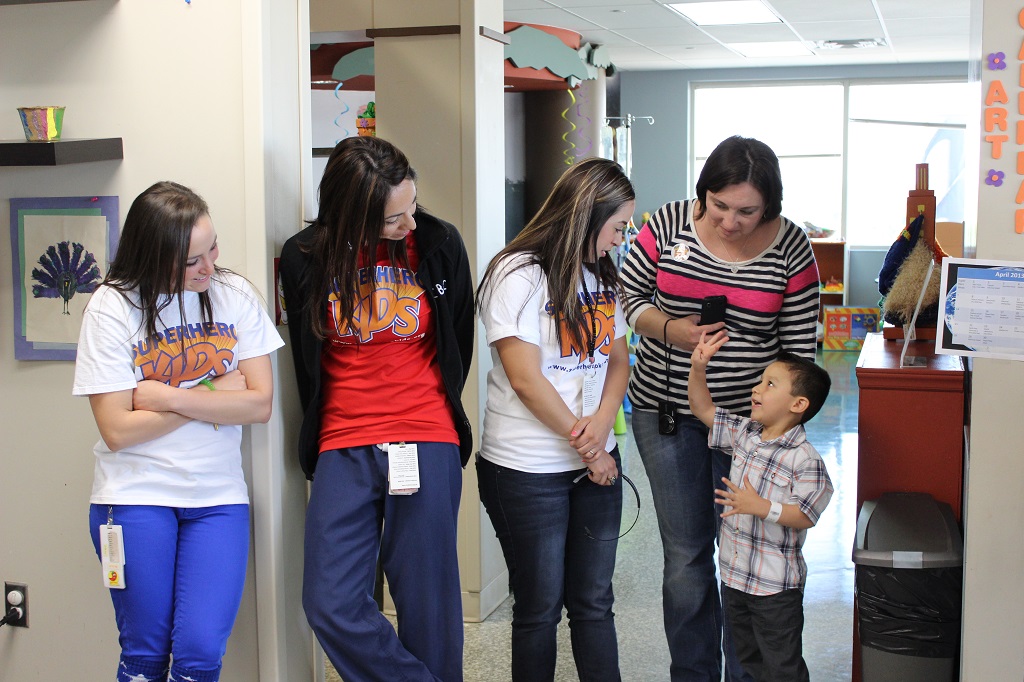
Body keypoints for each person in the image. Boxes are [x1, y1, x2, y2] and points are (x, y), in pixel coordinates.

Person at [618, 135, 820, 681]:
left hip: (754, 429)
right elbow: (629, 299)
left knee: (743, 557)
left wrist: (778, 427)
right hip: (668, 414)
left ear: (770, 206)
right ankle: (693, 673)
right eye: (720, 205)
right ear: (704, 192)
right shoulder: (665, 226)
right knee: (686, 558)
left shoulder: (791, 247)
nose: (731, 221)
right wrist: (673, 330)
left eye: (747, 211)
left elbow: (801, 350)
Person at [278, 136, 473, 682]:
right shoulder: (304, 258)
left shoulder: (437, 244)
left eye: (411, 208)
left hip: (426, 432)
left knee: (428, 604)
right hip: (343, 441)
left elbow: (457, 333)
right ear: (351, 216)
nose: (409, 224)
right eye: (393, 220)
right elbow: (305, 356)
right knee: (330, 602)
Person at [73, 181, 284, 682]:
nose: (209, 267)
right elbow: (119, 430)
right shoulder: (110, 307)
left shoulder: (234, 295)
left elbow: (259, 404)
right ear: (153, 257)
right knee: (146, 656)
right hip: (133, 496)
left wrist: (167, 395)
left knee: (200, 653)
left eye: (212, 248)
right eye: (192, 261)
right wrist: (216, 392)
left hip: (218, 497)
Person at [476, 157, 634, 682]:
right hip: (526, 469)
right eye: (617, 226)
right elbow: (525, 379)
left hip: (594, 464)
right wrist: (588, 446)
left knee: (594, 602)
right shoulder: (516, 274)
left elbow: (617, 358)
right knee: (540, 607)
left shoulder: (603, 274)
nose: (621, 238)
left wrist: (604, 425)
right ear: (589, 216)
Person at [689, 332, 833, 682]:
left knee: (781, 667)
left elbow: (806, 515)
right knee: (748, 662)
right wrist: (697, 366)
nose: (757, 388)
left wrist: (761, 507)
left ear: (798, 404)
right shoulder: (746, 433)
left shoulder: (805, 459)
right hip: (736, 579)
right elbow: (703, 409)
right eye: (760, 381)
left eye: (770, 384)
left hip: (775, 589)